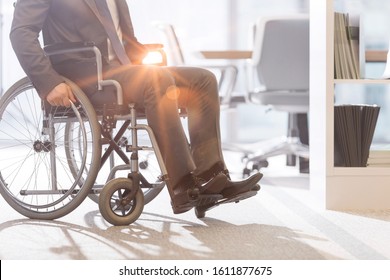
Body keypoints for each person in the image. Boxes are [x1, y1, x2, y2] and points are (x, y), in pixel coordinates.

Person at [10, 0, 262, 214]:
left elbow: (124, 42)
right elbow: (21, 33)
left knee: (202, 80)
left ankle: (211, 178)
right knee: (157, 79)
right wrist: (48, 81)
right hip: (84, 76)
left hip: (121, 73)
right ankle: (184, 186)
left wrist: (146, 56)